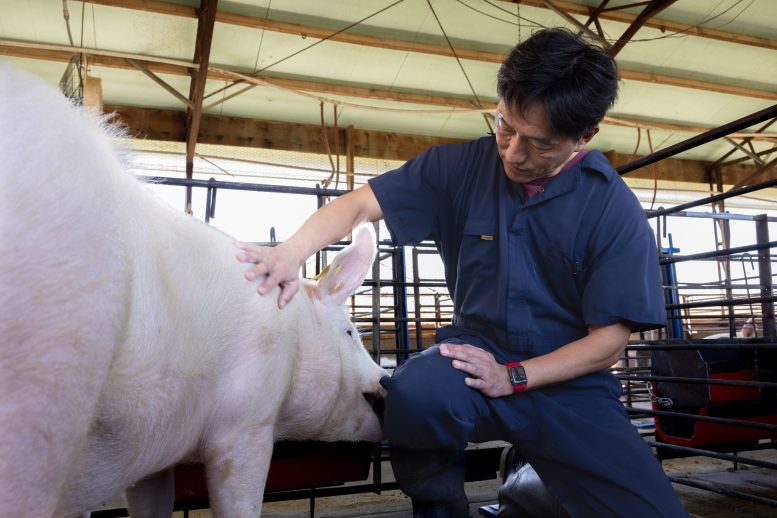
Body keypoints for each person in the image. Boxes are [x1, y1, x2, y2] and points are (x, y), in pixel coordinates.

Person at [237, 28, 687, 518]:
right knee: (414, 394)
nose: (513, 153)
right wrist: (291, 252)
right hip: (475, 355)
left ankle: (535, 476)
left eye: (539, 143)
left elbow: (608, 343)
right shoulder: (461, 167)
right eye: (505, 126)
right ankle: (441, 512)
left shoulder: (612, 208)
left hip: (569, 383)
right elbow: (359, 204)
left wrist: (513, 376)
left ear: (585, 136)